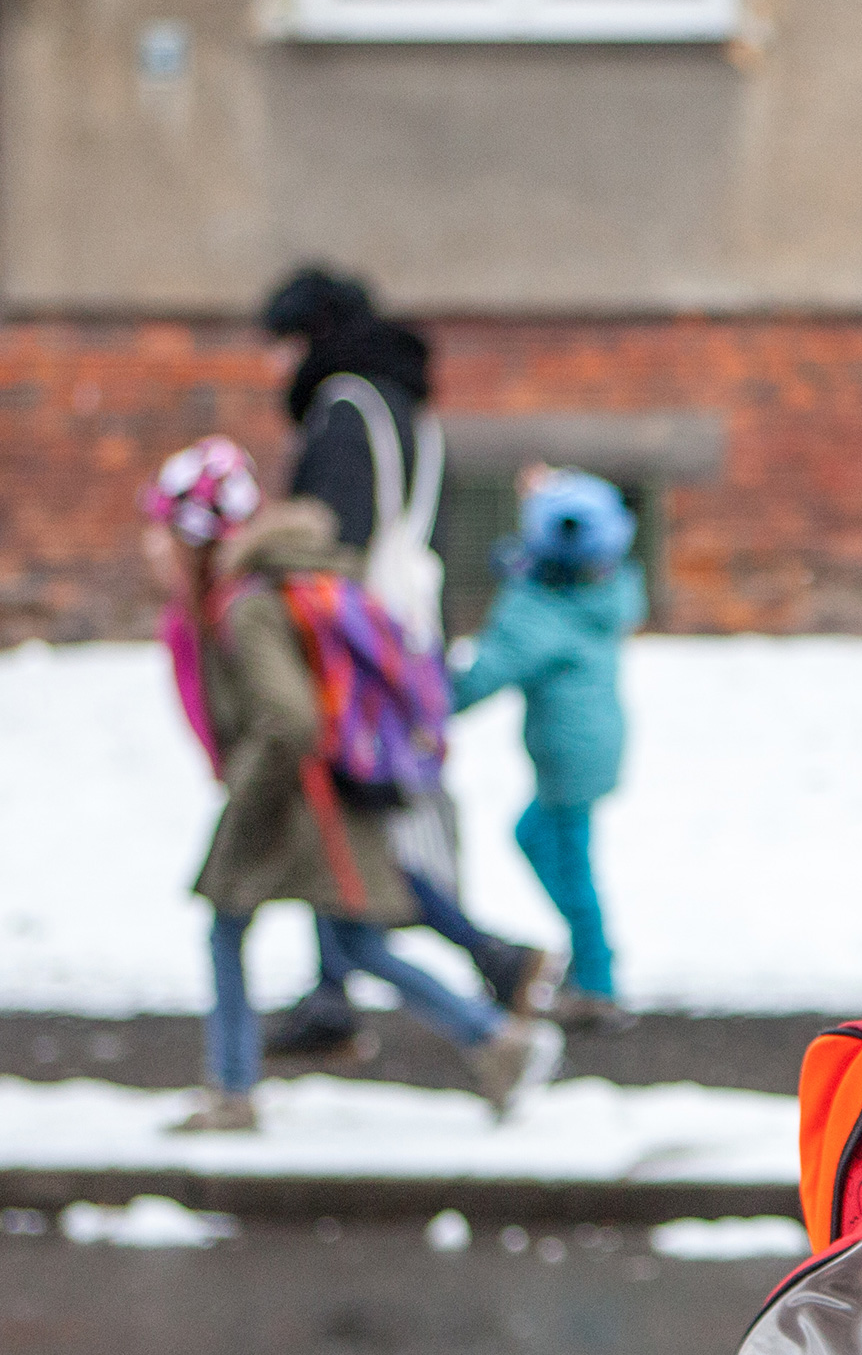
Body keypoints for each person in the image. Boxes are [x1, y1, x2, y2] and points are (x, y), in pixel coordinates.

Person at [141, 439, 561, 1133]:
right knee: (356, 943)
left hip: (294, 806)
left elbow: (289, 719)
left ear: (197, 538)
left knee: (230, 928)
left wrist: (247, 794)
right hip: (324, 800)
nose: (151, 547)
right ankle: (494, 1041)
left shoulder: (246, 606)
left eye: (163, 531)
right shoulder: (269, 587)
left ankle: (234, 1089)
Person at [251, 264, 557, 1072]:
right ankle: (338, 990)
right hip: (403, 636)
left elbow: (330, 544)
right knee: (358, 813)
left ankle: (488, 960)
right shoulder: (409, 413)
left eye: (280, 344)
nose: (272, 366)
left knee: (352, 810)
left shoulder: (345, 411)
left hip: (352, 649)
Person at [445, 467, 646, 1037]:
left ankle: (597, 981)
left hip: (567, 754)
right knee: (540, 839)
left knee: (569, 861)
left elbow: (485, 673)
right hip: (593, 743)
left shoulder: (541, 612)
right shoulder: (604, 591)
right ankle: (591, 963)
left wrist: (427, 703)